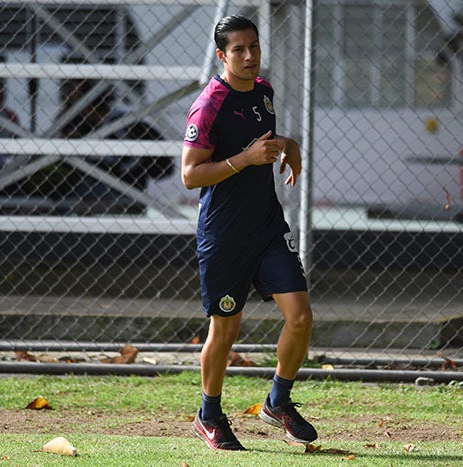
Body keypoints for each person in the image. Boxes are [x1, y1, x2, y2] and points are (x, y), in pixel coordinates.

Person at [181, 15, 317, 451]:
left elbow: (265, 144)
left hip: (267, 231)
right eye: (238, 49)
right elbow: (190, 175)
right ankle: (209, 414)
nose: (249, 56)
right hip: (223, 237)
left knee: (300, 317)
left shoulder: (263, 92)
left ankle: (277, 401)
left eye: (253, 46)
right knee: (225, 329)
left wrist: (288, 146)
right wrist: (245, 158)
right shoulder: (208, 105)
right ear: (222, 55)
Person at [17, 78, 173, 214]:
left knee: (72, 198)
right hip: (84, 187)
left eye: (73, 97)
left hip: (120, 190)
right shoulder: (75, 124)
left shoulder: (125, 123)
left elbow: (163, 167)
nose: (68, 100)